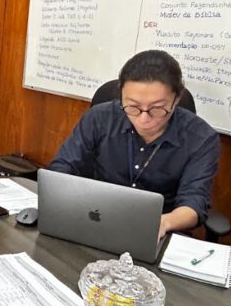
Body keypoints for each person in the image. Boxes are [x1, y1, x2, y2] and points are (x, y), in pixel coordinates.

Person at [48, 49, 220, 239]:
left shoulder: (201, 139)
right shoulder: (98, 118)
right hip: (95, 217)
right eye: (133, 106)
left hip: (158, 231)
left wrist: (164, 222)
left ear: (177, 99)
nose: (144, 119)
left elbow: (194, 203)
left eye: (157, 108)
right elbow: (62, 167)